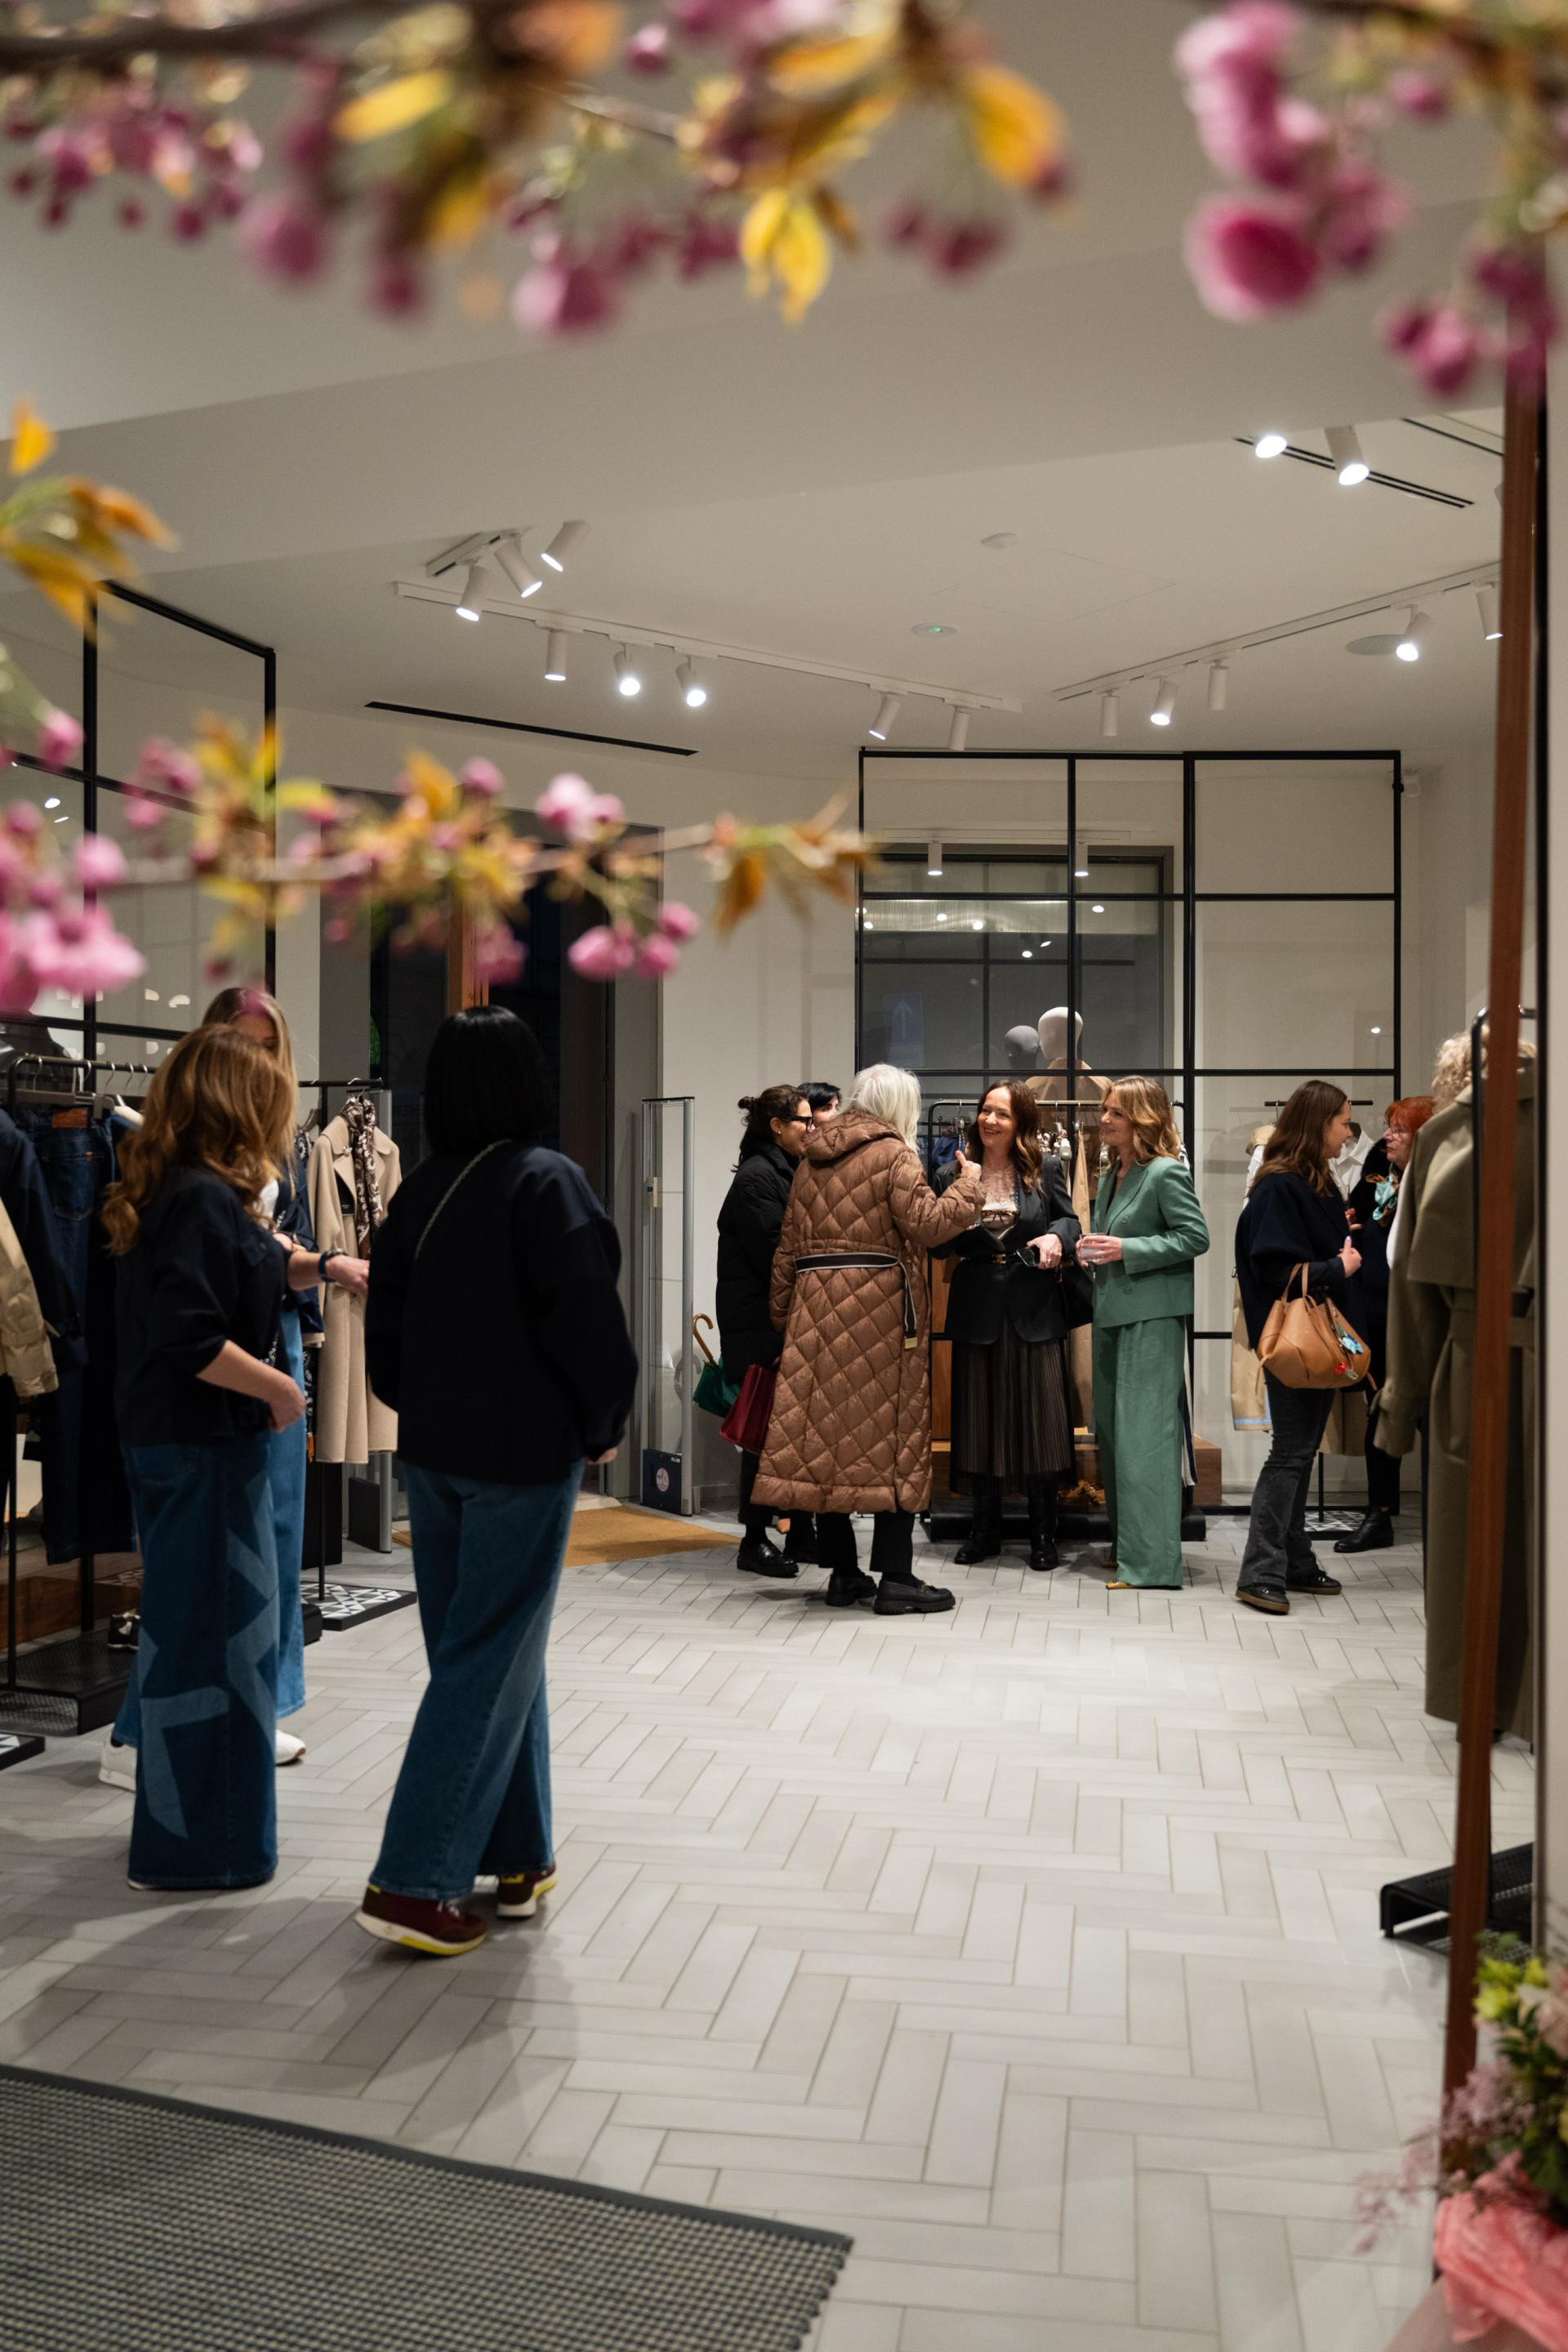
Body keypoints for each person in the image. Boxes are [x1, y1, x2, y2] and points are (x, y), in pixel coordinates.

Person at [358, 1007, 637, 1958]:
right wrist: (602, 1424)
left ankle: (517, 1853)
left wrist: (433, 1406)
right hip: (521, 1458)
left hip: (434, 1457)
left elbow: (386, 1346)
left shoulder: (420, 1190)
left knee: (484, 1651)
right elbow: (588, 1321)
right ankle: (412, 1883)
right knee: (489, 1657)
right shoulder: (547, 1181)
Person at [100, 986, 370, 1789]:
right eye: (242, 1047)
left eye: (267, 1046)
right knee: (201, 1586)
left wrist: (326, 1268)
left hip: (241, 1369)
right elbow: (187, 1327)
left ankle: (240, 1720)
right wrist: (280, 1390)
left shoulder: (241, 1167)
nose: (258, 1063)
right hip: (211, 1394)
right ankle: (163, 1748)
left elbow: (260, 1260)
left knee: (254, 1564)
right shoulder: (193, 1181)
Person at [753, 1063, 982, 1614]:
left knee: (829, 1444)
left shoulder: (811, 1161)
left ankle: (844, 1575)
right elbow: (928, 1225)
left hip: (815, 1317)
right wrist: (969, 1185)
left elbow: (787, 1248)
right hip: (882, 1319)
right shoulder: (894, 1154)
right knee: (895, 1442)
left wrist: (787, 1319)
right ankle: (897, 1577)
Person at [934, 1080, 1080, 1572]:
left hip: (1035, 1304)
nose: (989, 1120)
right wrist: (963, 1190)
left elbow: (1071, 1222)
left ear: (1021, 1123)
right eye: (985, 1111)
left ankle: (1043, 1532)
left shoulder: (1045, 1168)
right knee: (979, 1417)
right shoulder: (951, 1171)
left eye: (1001, 1113)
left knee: (1042, 1418)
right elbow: (936, 1244)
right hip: (977, 1304)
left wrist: (1056, 1237)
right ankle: (984, 1531)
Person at [1233, 1079, 1364, 1615]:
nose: (1348, 1133)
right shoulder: (1281, 1187)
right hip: (1297, 1340)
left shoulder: (1314, 1183)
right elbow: (1273, 1268)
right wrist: (1338, 1265)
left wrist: (1337, 1239)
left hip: (1314, 1338)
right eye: (1342, 1122)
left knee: (1299, 1451)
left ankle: (1294, 1560)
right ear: (1318, 1125)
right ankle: (1260, 1571)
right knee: (1290, 1452)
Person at [1078, 1077, 1209, 1591]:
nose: (1105, 1119)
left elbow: (1195, 1237)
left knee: (1145, 1441)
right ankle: (1130, 1549)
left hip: (1152, 1319)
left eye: (1116, 1112)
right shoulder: (1114, 1173)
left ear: (1143, 1119)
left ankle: (1153, 1565)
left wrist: (1126, 1250)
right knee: (1115, 1439)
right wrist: (1093, 1251)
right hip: (1112, 1313)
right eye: (1105, 1110)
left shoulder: (1166, 1172)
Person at [715, 1087, 813, 1579]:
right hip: (761, 1326)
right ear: (777, 1126)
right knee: (763, 1432)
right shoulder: (758, 1178)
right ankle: (753, 1540)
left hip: (775, 1321)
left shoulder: (784, 1169)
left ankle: (798, 1531)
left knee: (786, 1432)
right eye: (803, 1121)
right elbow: (779, 1256)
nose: (811, 1129)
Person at [1335, 1094, 1436, 1555]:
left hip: (1423, 1320)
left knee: (1432, 1418)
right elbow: (1357, 1224)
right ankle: (1379, 1514)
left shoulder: (1438, 1182)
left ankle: (1447, 1515)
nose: (1388, 1136)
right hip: (1375, 1316)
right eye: (1389, 1126)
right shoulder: (1380, 1172)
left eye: (1399, 1129)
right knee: (1380, 1411)